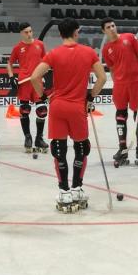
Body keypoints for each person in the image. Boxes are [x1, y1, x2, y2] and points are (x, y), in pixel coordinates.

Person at [30, 18, 107, 212]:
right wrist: (90, 96)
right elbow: (102, 78)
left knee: (59, 149)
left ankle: (64, 191)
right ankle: (77, 187)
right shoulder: (88, 52)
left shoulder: (53, 54)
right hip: (77, 107)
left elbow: (34, 77)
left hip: (58, 106)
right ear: (76, 32)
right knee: (81, 147)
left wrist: (44, 95)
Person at [100, 18, 138, 167]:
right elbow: (112, 68)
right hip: (120, 86)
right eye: (108, 27)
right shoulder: (106, 49)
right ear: (104, 31)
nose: (112, 28)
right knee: (120, 115)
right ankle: (122, 149)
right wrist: (116, 82)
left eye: (113, 25)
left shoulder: (129, 37)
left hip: (136, 83)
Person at [7, 22, 49, 154]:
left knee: (42, 110)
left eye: (30, 31)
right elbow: (9, 63)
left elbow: (46, 60)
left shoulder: (40, 45)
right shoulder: (18, 48)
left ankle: (39, 138)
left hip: (37, 81)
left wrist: (44, 72)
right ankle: (28, 137)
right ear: (21, 33)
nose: (29, 34)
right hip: (24, 82)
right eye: (26, 32)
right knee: (24, 110)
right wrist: (11, 76)